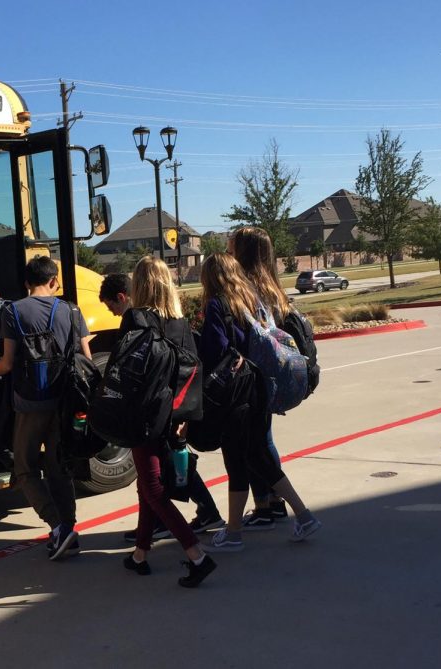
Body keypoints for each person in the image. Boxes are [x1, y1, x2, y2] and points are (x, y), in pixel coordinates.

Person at [198, 253, 321, 552]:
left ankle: (234, 533)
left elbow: (215, 351)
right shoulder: (253, 302)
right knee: (258, 458)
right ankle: (302, 515)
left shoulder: (217, 305)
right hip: (261, 388)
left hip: (235, 394)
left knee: (237, 461)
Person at [100, 273, 225, 544]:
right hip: (176, 405)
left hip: (152, 407)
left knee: (155, 475)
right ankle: (193, 517)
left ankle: (185, 539)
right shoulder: (178, 320)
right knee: (169, 464)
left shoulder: (139, 321)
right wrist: (186, 412)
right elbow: (192, 365)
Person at [120, 256, 216, 588]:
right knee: (147, 487)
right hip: (173, 416)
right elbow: (192, 371)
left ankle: (197, 556)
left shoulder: (135, 319)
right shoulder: (180, 323)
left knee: (153, 488)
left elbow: (125, 371)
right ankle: (140, 555)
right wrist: (185, 419)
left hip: (144, 415)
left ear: (139, 284)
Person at [0, 255, 91, 561]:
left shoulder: (13, 311)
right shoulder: (71, 310)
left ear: (26, 283)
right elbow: (86, 359)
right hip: (64, 402)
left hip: (30, 403)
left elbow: (7, 363)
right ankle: (69, 528)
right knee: (58, 465)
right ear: (53, 281)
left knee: (24, 467)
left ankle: (58, 526)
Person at [230, 226, 293, 529]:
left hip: (253, 376)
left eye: (232, 245)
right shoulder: (273, 287)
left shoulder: (246, 288)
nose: (228, 249)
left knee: (254, 443)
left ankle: (265, 506)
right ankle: (274, 503)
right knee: (263, 439)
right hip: (273, 373)